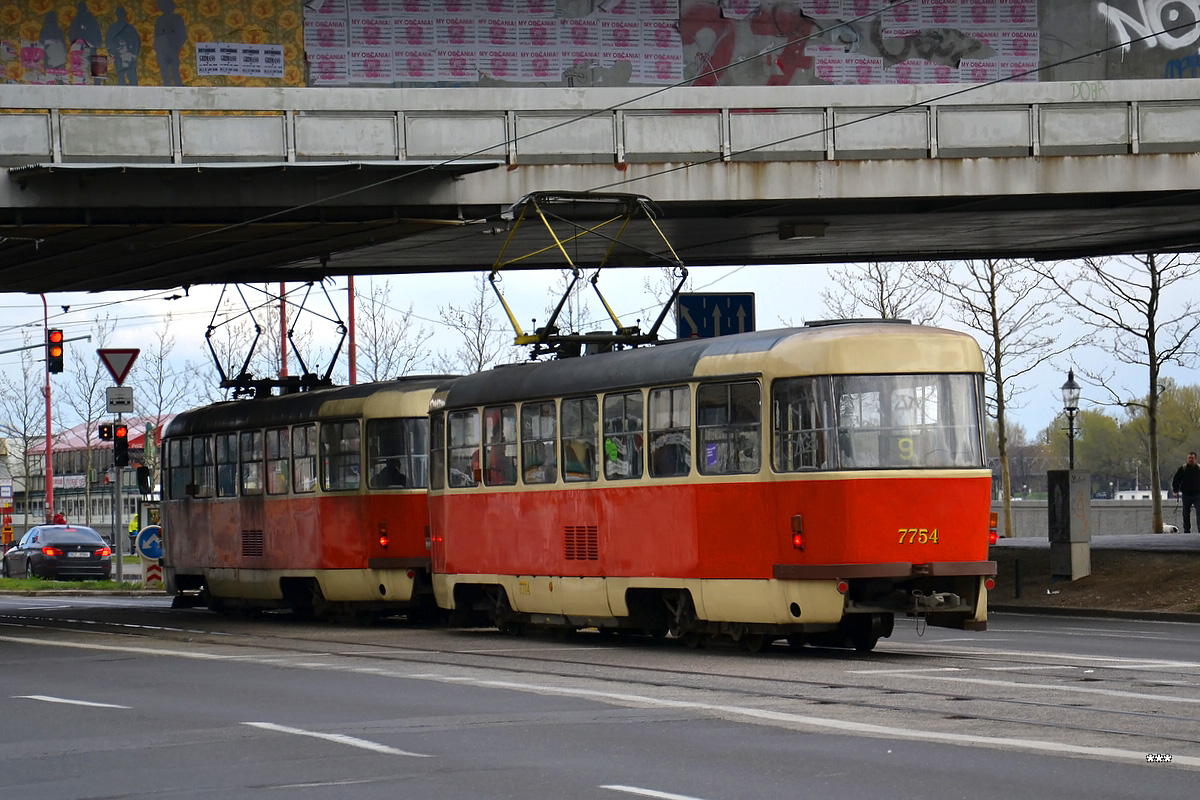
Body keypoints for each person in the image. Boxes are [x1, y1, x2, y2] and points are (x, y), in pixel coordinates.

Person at [1171, 451, 1200, 533]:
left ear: (1195, 459)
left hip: (1198, 495)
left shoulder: (1199, 469)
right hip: (1186, 495)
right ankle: (1187, 530)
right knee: (1186, 514)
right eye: (1189, 458)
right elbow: (1176, 480)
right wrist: (1175, 491)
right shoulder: (1183, 469)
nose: (1190, 460)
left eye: (1192, 458)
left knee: (1199, 513)